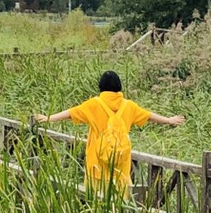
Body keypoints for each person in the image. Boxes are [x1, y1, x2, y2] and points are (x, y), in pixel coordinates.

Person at [36, 70, 184, 191]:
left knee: (97, 205)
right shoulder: (128, 106)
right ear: (119, 86)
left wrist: (49, 118)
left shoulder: (94, 104)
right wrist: (168, 120)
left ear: (101, 87)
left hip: (97, 167)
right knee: (121, 206)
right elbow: (148, 116)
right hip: (121, 166)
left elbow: (71, 113)